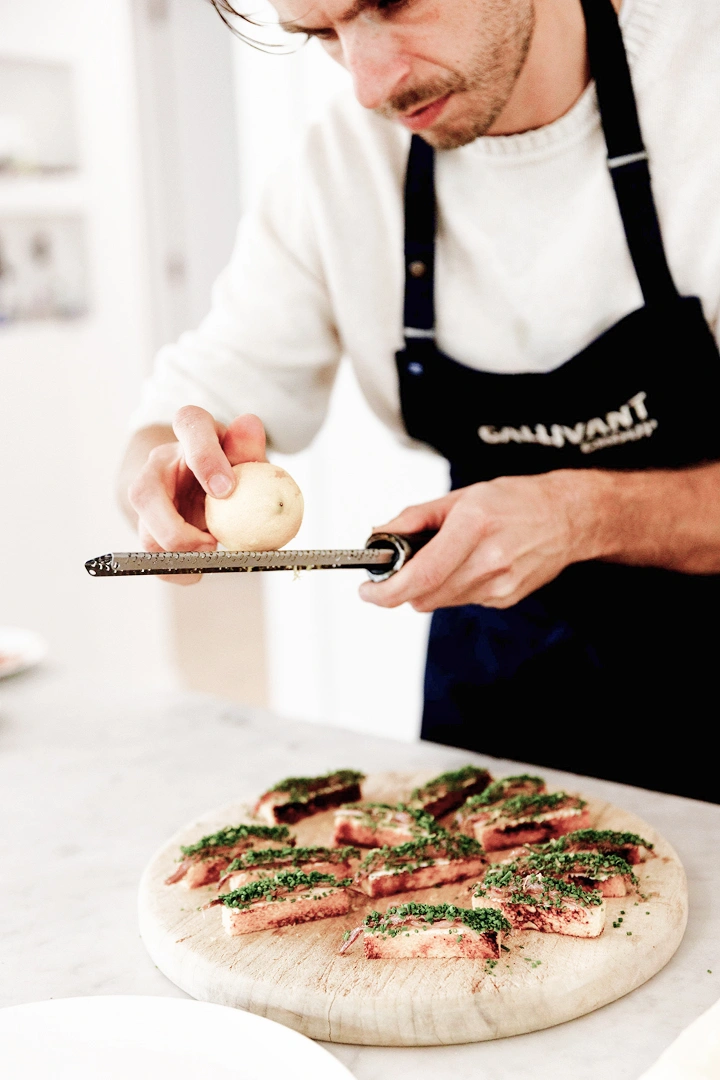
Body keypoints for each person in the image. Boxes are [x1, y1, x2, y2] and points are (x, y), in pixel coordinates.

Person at [122, 0, 720, 803]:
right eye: (321, 34)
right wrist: (165, 478)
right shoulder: (340, 167)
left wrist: (583, 514)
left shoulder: (700, 84)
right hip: (500, 717)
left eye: (394, 0)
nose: (370, 85)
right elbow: (189, 403)